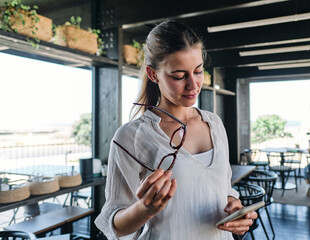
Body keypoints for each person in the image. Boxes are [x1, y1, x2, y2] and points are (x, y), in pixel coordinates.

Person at [94, 20, 257, 239]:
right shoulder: (131, 136)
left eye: (198, 71)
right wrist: (144, 209)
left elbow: (222, 191)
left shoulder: (214, 124)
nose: (193, 85)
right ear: (153, 75)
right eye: (179, 76)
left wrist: (234, 208)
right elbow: (114, 225)